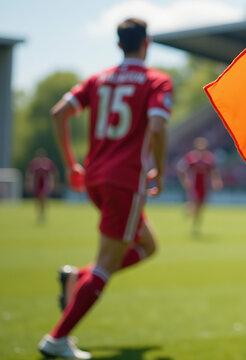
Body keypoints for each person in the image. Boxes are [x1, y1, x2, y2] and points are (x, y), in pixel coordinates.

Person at [37, 18, 172, 359]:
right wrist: (161, 169)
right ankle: (56, 339)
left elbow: (58, 113)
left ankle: (76, 277)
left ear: (118, 45)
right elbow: (156, 128)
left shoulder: (100, 78)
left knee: (148, 244)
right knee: (106, 264)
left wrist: (71, 165)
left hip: (96, 177)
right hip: (126, 181)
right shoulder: (157, 80)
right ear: (148, 42)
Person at [176, 137, 223, 236]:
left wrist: (216, 181)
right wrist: (184, 180)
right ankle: (189, 209)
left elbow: (214, 171)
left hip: (204, 185)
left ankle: (195, 226)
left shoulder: (209, 158)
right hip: (194, 185)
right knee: (196, 202)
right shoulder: (190, 157)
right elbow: (180, 169)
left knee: (201, 206)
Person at [25, 148, 58, 223]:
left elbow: (53, 173)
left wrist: (53, 183)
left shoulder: (48, 163)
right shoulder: (34, 163)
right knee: (38, 199)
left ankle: (43, 214)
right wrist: (29, 183)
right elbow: (29, 173)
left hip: (45, 183)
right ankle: (39, 214)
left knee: (44, 198)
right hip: (37, 183)